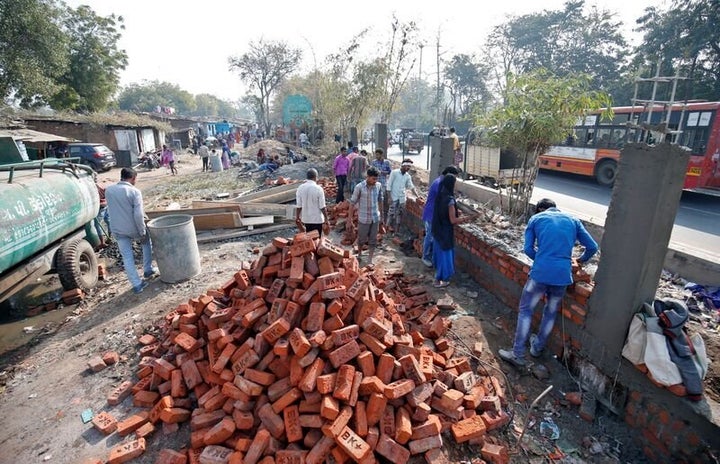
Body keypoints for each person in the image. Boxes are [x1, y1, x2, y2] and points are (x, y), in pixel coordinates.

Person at [499, 198, 599, 367]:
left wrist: (542, 261)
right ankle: (537, 348)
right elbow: (592, 247)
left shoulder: (536, 219)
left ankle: (517, 354)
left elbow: (528, 249)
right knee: (550, 312)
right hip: (562, 277)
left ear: (540, 209)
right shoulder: (573, 220)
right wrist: (580, 260)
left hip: (540, 274)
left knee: (525, 311)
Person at [105, 168, 158, 294]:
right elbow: (138, 214)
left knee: (127, 257)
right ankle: (148, 269)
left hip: (117, 229)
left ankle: (137, 285)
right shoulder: (134, 192)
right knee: (146, 243)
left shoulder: (109, 191)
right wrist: (142, 231)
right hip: (133, 227)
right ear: (133, 178)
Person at [421, 166, 460, 267]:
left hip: (435, 213)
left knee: (433, 237)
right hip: (431, 213)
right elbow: (443, 201)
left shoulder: (441, 182)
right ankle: (425, 257)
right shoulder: (439, 184)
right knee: (430, 236)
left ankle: (431, 257)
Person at [431, 174, 463, 288]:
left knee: (439, 256)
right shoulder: (449, 200)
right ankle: (444, 280)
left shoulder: (440, 196)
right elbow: (453, 220)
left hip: (437, 231)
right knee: (446, 256)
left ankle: (437, 278)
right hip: (446, 232)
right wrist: (468, 218)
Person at [350, 166, 384, 264]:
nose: (375, 181)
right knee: (361, 239)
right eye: (373, 179)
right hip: (363, 218)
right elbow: (352, 203)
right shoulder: (359, 187)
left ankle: (370, 259)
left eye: (376, 179)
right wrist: (349, 220)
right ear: (368, 177)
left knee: (373, 240)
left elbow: (380, 201)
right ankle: (360, 254)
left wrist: (382, 218)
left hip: (375, 218)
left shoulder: (378, 186)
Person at [387, 159, 418, 236]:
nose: (408, 168)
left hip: (402, 198)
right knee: (391, 214)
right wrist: (389, 197)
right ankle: (387, 230)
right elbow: (389, 185)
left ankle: (396, 232)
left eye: (409, 167)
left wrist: (417, 196)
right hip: (394, 197)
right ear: (403, 165)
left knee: (399, 214)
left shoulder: (407, 176)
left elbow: (411, 186)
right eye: (407, 166)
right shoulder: (394, 173)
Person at [295, 168, 329, 236]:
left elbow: (299, 205)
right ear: (315, 177)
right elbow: (322, 206)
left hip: (306, 219)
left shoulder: (300, 188)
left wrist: (297, 217)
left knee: (308, 241)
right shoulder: (318, 189)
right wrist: (326, 219)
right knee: (316, 241)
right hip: (317, 220)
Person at [370, 148, 392, 221]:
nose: (376, 156)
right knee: (375, 199)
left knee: (382, 199)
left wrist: (381, 172)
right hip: (375, 183)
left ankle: (382, 215)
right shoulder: (373, 162)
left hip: (383, 183)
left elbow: (389, 172)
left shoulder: (387, 162)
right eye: (376, 154)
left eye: (378, 154)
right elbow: (371, 172)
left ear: (381, 155)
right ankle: (376, 214)